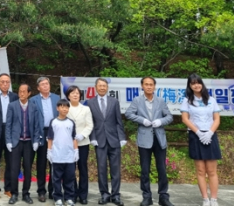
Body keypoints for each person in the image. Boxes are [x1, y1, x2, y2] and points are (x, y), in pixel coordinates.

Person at [125, 77, 174, 206]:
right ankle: (147, 196)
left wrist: (161, 121)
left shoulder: (160, 100)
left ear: (154, 86)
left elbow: (169, 116)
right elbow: (129, 114)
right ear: (142, 86)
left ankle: (163, 196)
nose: (148, 86)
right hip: (144, 139)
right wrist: (142, 120)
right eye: (146, 84)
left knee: (162, 169)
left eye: (151, 84)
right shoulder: (137, 100)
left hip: (159, 138)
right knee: (145, 170)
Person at [180, 74, 222, 206]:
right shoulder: (187, 101)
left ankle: (214, 199)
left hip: (210, 135)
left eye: (198, 83)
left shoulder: (211, 100)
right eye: (193, 83)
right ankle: (205, 198)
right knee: (200, 170)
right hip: (195, 136)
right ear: (189, 86)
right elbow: (185, 119)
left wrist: (210, 132)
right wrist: (198, 132)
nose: (196, 85)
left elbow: (217, 119)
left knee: (212, 171)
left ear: (202, 84)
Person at [87, 78, 126, 206]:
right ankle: (104, 194)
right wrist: (92, 137)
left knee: (115, 170)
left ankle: (116, 195)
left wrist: (122, 137)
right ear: (96, 87)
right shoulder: (90, 102)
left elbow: (118, 121)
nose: (102, 88)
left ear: (107, 87)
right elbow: (91, 122)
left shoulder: (114, 101)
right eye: (100, 86)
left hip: (114, 140)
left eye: (104, 85)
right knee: (101, 169)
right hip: (99, 141)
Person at [5, 83, 41, 205]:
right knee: (14, 169)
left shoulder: (33, 107)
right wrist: (8, 141)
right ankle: (14, 193)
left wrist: (36, 140)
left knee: (28, 169)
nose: (21, 93)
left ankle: (26, 193)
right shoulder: (12, 106)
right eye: (20, 91)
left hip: (29, 143)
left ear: (29, 93)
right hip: (16, 142)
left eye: (24, 91)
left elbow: (36, 125)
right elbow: (8, 125)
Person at [29, 76, 59, 202]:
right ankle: (41, 191)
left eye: (47, 83)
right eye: (43, 84)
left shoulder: (57, 98)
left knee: (54, 163)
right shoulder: (33, 100)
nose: (46, 86)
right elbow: (31, 119)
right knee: (41, 164)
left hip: (54, 133)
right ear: (38, 88)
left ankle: (53, 190)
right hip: (40, 132)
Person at [47, 99, 79, 206]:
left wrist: (76, 150)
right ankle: (58, 198)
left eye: (66, 107)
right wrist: (49, 151)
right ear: (57, 108)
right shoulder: (53, 122)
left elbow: (74, 138)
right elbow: (50, 138)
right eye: (62, 107)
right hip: (57, 156)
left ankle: (69, 198)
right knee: (56, 179)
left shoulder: (71, 122)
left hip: (69, 156)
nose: (64, 109)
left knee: (69, 178)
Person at [65, 85, 93, 205]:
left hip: (82, 143)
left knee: (82, 168)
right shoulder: (65, 107)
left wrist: (83, 135)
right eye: (73, 93)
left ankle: (83, 195)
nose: (75, 95)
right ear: (68, 96)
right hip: (69, 143)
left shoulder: (86, 109)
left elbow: (89, 125)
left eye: (77, 93)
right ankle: (72, 193)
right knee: (70, 169)